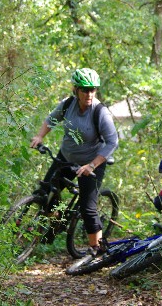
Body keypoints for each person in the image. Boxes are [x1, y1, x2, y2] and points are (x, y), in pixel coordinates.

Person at [30, 68, 118, 256]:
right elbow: (51, 120)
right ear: (76, 90)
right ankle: (51, 228)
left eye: (93, 89)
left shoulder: (101, 112)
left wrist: (92, 165)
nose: (89, 93)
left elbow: (112, 142)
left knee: (88, 208)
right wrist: (39, 137)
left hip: (92, 163)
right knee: (46, 190)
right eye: (85, 89)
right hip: (67, 158)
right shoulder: (68, 104)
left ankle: (96, 249)